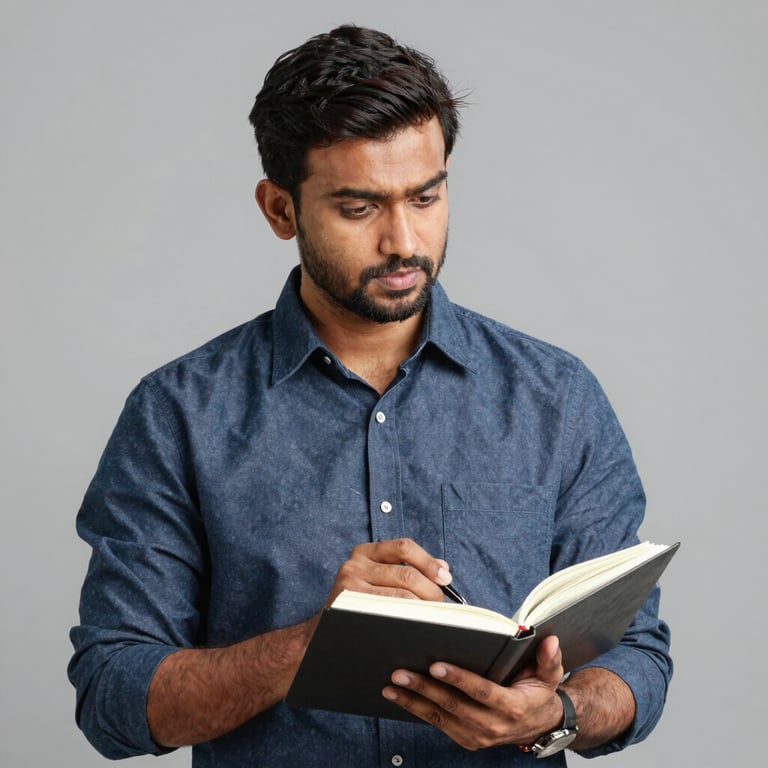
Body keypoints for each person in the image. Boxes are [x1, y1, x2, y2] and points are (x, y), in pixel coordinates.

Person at [68, 25, 672, 767]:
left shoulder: (556, 396)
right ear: (280, 210)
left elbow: (639, 657)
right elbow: (113, 697)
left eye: (426, 197)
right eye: (359, 208)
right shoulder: (178, 414)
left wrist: (558, 714)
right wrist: (311, 643)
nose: (403, 241)